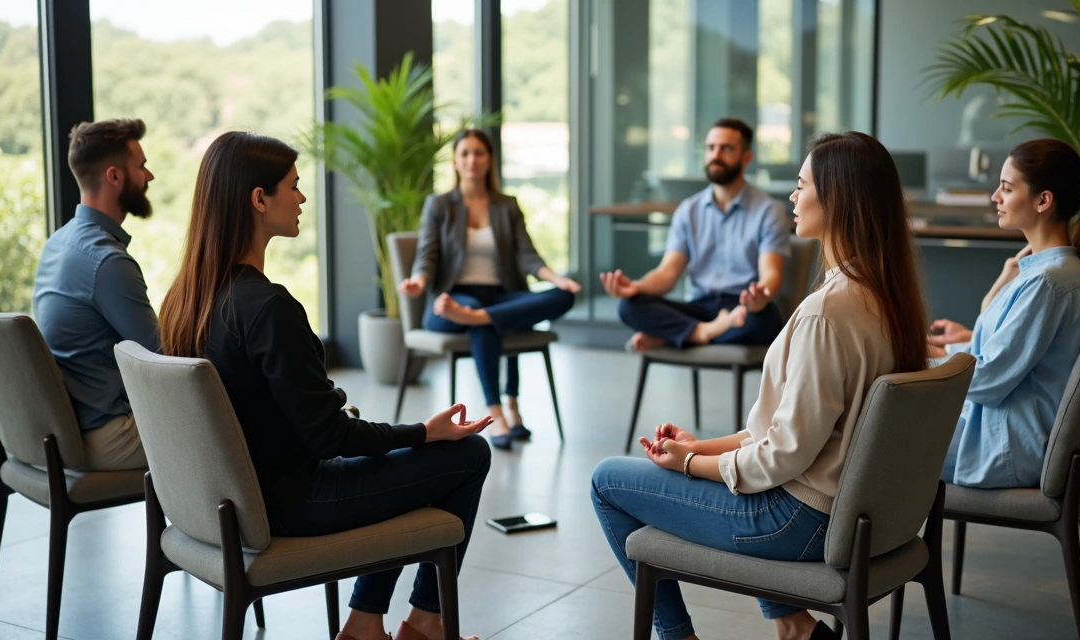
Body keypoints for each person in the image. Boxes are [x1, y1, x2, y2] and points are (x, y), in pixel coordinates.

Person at [591, 131, 930, 640]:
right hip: (856, 512)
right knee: (726, 471)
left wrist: (690, 465)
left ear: (837, 200)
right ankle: (797, 629)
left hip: (799, 521)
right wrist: (698, 449)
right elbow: (786, 434)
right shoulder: (886, 296)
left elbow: (779, 458)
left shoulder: (825, 314)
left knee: (607, 481)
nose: (792, 196)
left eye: (802, 185)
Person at [158, 132, 491, 640]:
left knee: (396, 457)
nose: (302, 197)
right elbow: (331, 438)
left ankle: (364, 626)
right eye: (293, 186)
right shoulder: (268, 307)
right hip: (291, 503)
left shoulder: (186, 300)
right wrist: (424, 432)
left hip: (225, 504)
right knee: (467, 455)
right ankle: (424, 624)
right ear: (259, 199)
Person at [930, 138, 1080, 489]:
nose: (995, 197)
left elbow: (988, 380)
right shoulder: (1051, 272)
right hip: (1010, 430)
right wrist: (1003, 282)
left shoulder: (1047, 283)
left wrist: (922, 362)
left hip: (1007, 445)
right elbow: (999, 355)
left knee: (868, 437)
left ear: (1043, 200)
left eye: (1007, 188)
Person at [399, 128, 578, 450]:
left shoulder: (506, 205)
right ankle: (501, 410)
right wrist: (419, 281)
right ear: (455, 161)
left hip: (499, 295)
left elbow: (527, 254)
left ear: (490, 159)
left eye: (479, 153)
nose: (472, 160)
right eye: (465, 153)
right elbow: (428, 254)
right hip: (453, 299)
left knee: (561, 297)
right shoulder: (439, 204)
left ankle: (482, 322)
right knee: (483, 319)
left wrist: (556, 279)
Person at [599, 117, 792, 352]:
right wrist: (635, 287)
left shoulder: (769, 211)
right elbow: (667, 273)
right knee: (628, 306)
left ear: (746, 158)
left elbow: (771, 274)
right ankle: (704, 331)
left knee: (766, 320)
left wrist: (760, 297)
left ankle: (674, 336)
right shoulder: (688, 210)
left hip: (742, 307)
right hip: (698, 307)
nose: (715, 155)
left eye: (726, 148)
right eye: (711, 148)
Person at [32, 118, 158, 470]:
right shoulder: (106, 261)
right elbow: (163, 359)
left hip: (64, 429)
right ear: (114, 176)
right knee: (238, 428)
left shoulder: (57, 243)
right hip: (109, 434)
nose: (149, 176)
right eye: (142, 166)